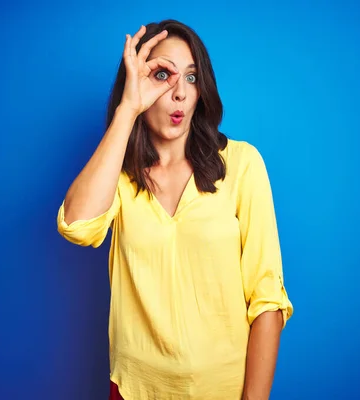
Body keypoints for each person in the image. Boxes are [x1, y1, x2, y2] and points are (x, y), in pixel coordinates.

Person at [56, 19, 293, 400]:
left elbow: (268, 299)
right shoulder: (119, 176)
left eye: (192, 77)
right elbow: (77, 226)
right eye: (163, 75)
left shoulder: (242, 164)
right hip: (135, 390)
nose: (179, 93)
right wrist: (128, 110)